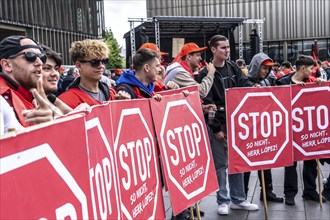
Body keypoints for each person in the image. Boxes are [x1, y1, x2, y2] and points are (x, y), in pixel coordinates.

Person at [196, 35, 258, 215]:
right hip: (219, 122)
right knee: (221, 164)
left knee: (237, 161)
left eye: (228, 47)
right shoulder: (205, 73)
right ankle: (223, 200)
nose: (227, 50)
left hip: (236, 122)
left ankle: (238, 199)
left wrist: (253, 88)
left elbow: (243, 84)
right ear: (213, 50)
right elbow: (207, 101)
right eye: (222, 48)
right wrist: (215, 129)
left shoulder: (232, 67)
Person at [276, 54, 326, 205]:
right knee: (290, 161)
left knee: (311, 158)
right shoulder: (282, 83)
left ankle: (310, 191)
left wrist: (320, 85)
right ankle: (290, 194)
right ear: (302, 68)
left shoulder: (310, 82)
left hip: (306, 127)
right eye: (311, 68)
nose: (313, 72)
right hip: (289, 128)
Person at [243, 52, 284, 202]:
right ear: (256, 66)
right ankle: (243, 194)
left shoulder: (268, 81)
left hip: (265, 127)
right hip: (249, 129)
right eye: (264, 68)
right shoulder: (245, 81)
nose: (267, 71)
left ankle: (267, 191)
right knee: (246, 164)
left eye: (268, 68)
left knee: (266, 160)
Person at [58, 39, 129, 108]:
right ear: (79, 65)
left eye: (104, 61)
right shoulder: (66, 101)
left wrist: (121, 106)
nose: (101, 66)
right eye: (95, 62)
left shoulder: (111, 93)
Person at [0, 35, 53, 127]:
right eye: (30, 56)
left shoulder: (29, 95)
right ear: (7, 65)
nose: (40, 63)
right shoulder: (4, 97)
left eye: (42, 57)